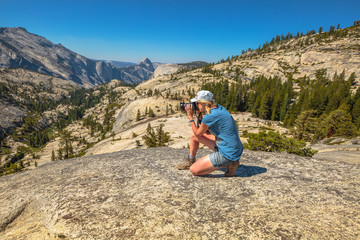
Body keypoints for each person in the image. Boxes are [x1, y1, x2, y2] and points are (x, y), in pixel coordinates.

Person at [176, 90, 243, 177]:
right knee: (193, 137)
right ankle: (191, 160)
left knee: (194, 170)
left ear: (204, 103)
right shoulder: (219, 108)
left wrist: (190, 116)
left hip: (227, 153)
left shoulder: (210, 116)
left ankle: (229, 163)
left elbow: (198, 133)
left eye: (197, 103)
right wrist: (199, 114)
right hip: (234, 148)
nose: (195, 105)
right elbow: (203, 130)